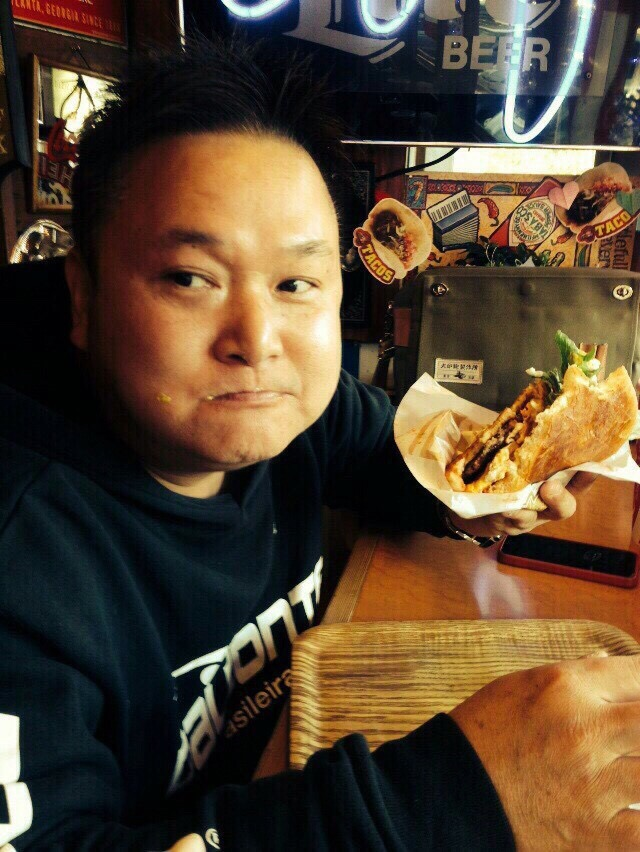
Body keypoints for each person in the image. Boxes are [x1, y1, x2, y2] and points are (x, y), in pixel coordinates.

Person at [0, 37, 638, 852]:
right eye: (191, 278)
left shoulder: (303, 416)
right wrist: (445, 802)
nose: (257, 340)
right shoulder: (25, 563)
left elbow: (381, 455)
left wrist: (471, 504)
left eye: (295, 283)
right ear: (83, 299)